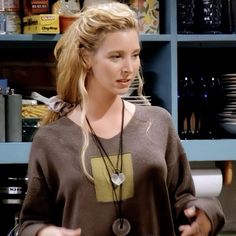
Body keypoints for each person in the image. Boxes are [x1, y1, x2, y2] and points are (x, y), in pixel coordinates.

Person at [18, 2, 225, 236]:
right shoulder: (51, 139)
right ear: (86, 57)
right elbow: (29, 223)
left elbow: (184, 199)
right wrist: (44, 233)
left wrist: (206, 213)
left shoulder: (157, 123)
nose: (129, 68)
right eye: (116, 57)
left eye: (135, 55)